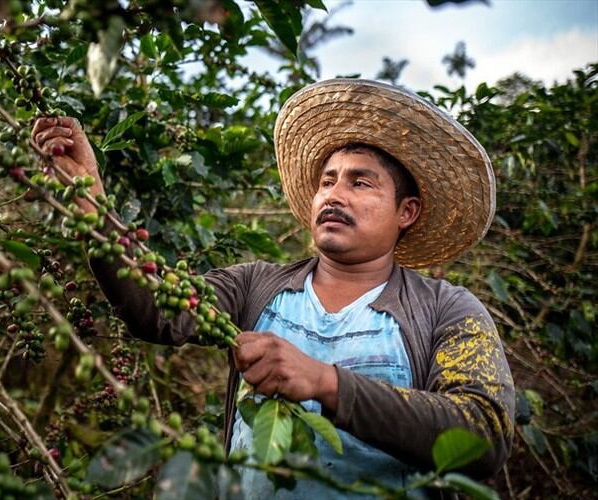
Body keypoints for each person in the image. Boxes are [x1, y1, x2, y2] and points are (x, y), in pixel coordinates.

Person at [31, 79, 515, 497]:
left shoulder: (447, 310)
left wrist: (326, 383)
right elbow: (157, 309)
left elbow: (482, 433)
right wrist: (92, 203)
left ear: (406, 212)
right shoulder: (255, 285)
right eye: (327, 181)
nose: (334, 195)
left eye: (361, 184)